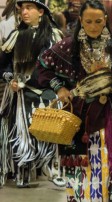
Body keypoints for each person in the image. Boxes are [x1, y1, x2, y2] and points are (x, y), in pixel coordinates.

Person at [37, 0, 112, 200]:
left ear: (105, 20)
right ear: (80, 20)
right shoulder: (68, 46)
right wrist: (60, 87)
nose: (93, 26)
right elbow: (43, 68)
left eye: (98, 21)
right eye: (88, 22)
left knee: (109, 172)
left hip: (109, 122)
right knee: (81, 175)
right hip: (78, 123)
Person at [0, 0, 63, 188]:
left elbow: (62, 66)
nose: (24, 12)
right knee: (23, 135)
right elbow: (3, 66)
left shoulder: (54, 36)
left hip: (48, 93)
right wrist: (9, 77)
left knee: (49, 133)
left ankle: (50, 167)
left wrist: (60, 86)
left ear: (41, 11)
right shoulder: (16, 35)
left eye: (29, 8)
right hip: (22, 94)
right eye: (22, 8)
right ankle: (23, 170)